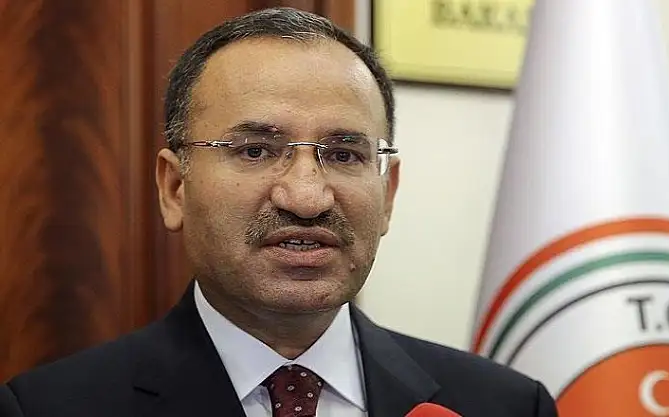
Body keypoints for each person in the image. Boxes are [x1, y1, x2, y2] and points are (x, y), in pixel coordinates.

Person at [0, 7, 558, 417]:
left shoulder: (503, 406)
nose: (307, 197)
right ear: (174, 188)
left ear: (387, 193)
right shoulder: (48, 409)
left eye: (343, 154)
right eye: (255, 151)